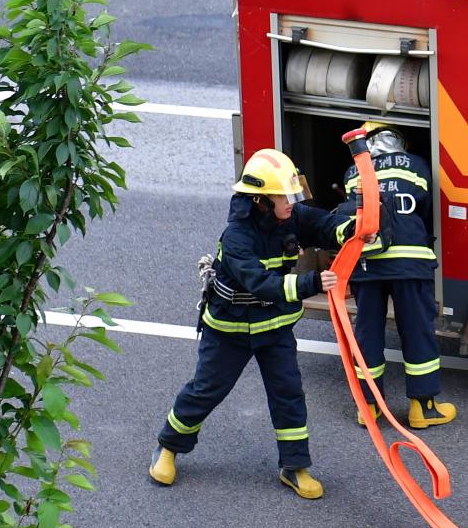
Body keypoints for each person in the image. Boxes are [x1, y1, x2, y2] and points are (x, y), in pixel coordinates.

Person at [149, 148, 365, 500]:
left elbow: (323, 226)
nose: (293, 203)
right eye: (285, 196)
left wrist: (354, 230)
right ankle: (168, 446)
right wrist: (312, 283)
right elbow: (260, 283)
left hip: (275, 328)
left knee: (288, 394)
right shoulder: (237, 236)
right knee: (206, 391)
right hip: (230, 331)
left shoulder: (290, 217)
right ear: (261, 201)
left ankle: (294, 466)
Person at [336, 121, 457, 429]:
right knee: (417, 332)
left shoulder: (353, 171)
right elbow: (427, 210)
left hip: (367, 265)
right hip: (410, 264)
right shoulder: (417, 165)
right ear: (399, 141)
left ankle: (369, 407)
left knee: (367, 334)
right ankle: (423, 409)